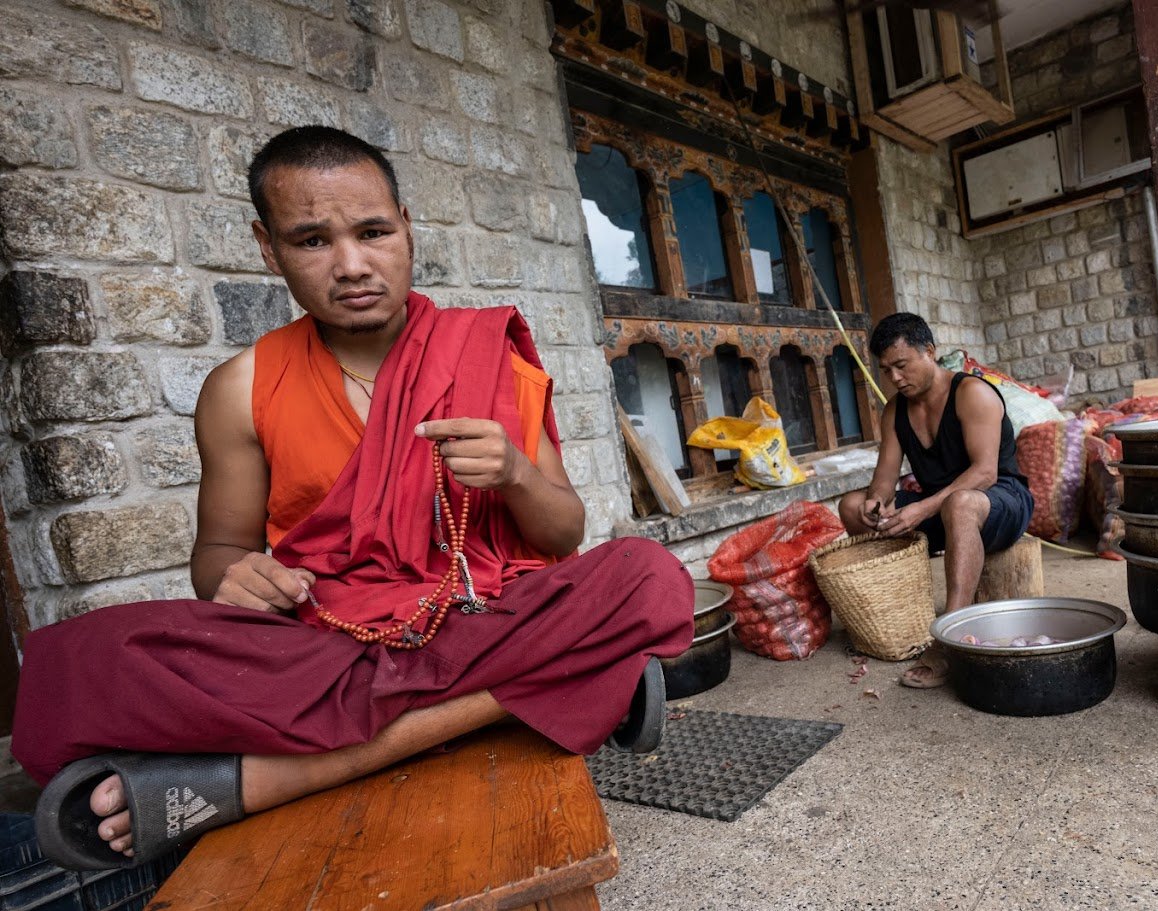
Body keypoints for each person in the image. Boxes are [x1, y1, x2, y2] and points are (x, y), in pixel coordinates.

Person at [14, 126, 694, 871]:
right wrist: (237, 577)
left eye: (372, 232)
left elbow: (563, 535)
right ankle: (573, 682)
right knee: (87, 656)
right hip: (333, 638)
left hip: (482, 614)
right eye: (312, 240)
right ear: (268, 248)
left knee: (643, 573)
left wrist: (516, 474)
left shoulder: (482, 354)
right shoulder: (240, 389)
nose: (351, 265)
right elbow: (219, 554)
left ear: (406, 227)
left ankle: (244, 782)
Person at [837, 313, 1033, 687]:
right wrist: (876, 503)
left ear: (929, 351)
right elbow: (884, 480)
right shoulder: (895, 410)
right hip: (939, 507)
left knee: (959, 503)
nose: (895, 378)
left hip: (1000, 501)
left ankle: (950, 639)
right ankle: (897, 615)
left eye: (902, 365)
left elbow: (985, 473)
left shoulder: (971, 393)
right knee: (851, 506)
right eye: (886, 370)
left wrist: (923, 508)